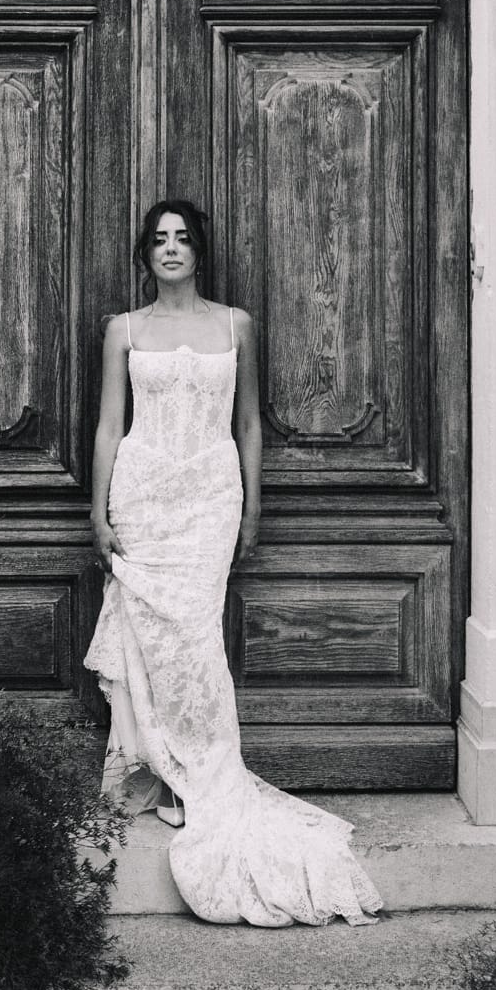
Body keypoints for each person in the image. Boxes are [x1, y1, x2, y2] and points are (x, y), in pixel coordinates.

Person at [83, 199, 383, 927]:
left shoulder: (234, 324)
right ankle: (158, 768)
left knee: (195, 639)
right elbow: (107, 424)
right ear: (144, 255)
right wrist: (97, 512)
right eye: (159, 240)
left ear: (200, 251)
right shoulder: (123, 330)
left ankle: (201, 774)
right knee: (152, 637)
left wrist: (251, 505)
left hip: (210, 497)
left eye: (183, 238)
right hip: (144, 493)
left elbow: (248, 422)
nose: (171, 249)